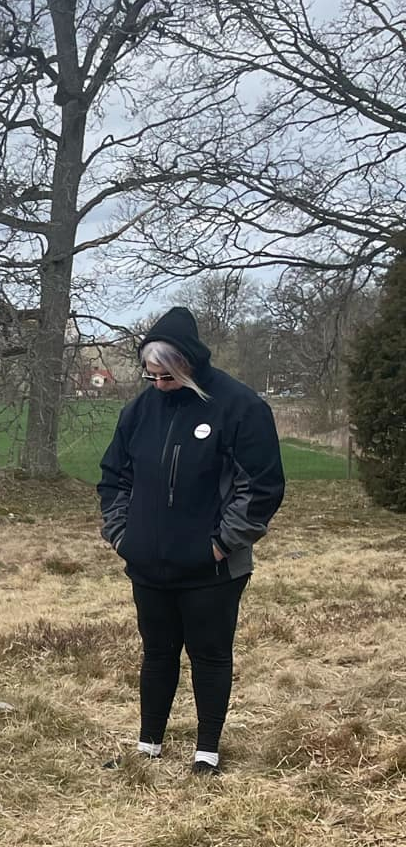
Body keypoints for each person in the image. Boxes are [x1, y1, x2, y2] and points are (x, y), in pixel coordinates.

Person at [97, 306, 285, 776]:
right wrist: (123, 536)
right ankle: (149, 744)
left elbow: (261, 488)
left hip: (213, 569)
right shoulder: (139, 411)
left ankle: (207, 751)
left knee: (209, 653)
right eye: (151, 375)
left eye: (167, 376)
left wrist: (221, 544)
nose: (158, 384)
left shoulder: (240, 407)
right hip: (148, 564)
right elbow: (113, 478)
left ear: (189, 365)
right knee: (157, 651)